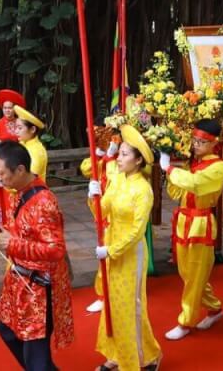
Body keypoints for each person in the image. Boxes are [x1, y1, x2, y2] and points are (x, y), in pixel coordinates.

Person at [0, 141, 73, 371]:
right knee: (6, 329)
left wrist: (12, 243)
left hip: (39, 289)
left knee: (35, 353)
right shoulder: (20, 192)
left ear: (20, 170)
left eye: (1, 173)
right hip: (21, 281)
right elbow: (22, 229)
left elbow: (56, 250)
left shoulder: (43, 203)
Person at [89, 125, 161, 370]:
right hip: (113, 244)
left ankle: (143, 358)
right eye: (119, 153)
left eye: (124, 154)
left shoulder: (143, 190)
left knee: (131, 306)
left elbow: (137, 231)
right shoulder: (118, 179)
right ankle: (118, 354)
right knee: (113, 304)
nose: (118, 158)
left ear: (138, 160)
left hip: (131, 252)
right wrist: (94, 197)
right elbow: (102, 212)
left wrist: (111, 250)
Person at [159, 119, 223, 341]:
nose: (196, 145)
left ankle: (186, 321)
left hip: (201, 223)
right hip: (183, 221)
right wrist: (171, 172)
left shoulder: (219, 166)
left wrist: (170, 169)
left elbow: (196, 184)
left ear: (214, 143)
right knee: (188, 274)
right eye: (194, 140)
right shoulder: (192, 163)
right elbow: (177, 192)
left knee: (195, 275)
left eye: (201, 142)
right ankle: (215, 308)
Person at [81, 127, 121, 314]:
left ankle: (114, 293)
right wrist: (100, 155)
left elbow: (117, 177)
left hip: (119, 213)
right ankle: (103, 295)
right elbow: (86, 169)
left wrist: (111, 158)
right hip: (105, 212)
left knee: (117, 257)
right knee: (105, 257)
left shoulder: (121, 158)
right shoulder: (101, 156)